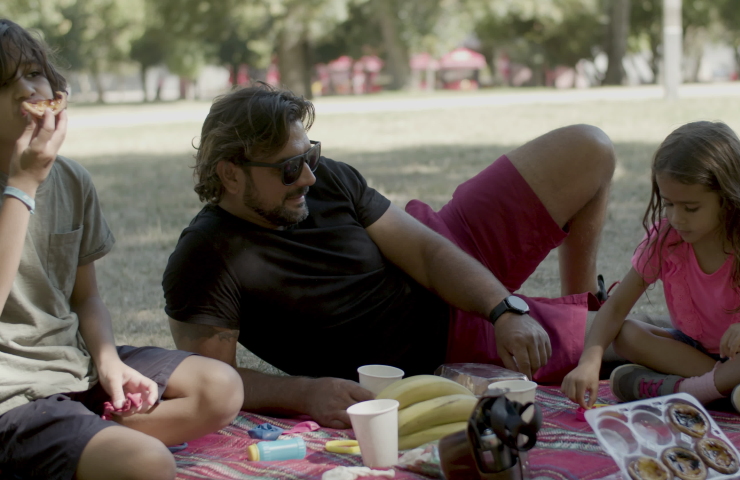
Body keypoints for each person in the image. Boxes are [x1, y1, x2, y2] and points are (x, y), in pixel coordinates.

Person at [163, 82, 616, 428]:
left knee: (589, 147)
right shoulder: (204, 257)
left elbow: (423, 249)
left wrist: (504, 308)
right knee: (616, 339)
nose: (307, 178)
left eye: (310, 156)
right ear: (230, 175)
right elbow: (213, 376)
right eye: (288, 168)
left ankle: (580, 299)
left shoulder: (327, 179)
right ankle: (582, 324)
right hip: (443, 335)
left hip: (448, 242)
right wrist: (304, 394)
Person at [0, 19, 243, 480]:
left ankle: (83, 437)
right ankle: (76, 443)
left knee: (221, 388)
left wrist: (108, 361)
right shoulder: (30, 179)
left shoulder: (71, 180)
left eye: (33, 72)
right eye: (3, 83)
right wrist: (22, 184)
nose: (26, 90)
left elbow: (85, 297)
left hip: (70, 363)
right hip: (10, 393)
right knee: (147, 464)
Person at [562, 121, 740, 416]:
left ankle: (686, 391)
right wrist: (589, 361)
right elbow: (616, 308)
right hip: (700, 355)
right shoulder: (665, 239)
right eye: (668, 204)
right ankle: (734, 390)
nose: (677, 218)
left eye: (691, 208)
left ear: (728, 199)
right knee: (626, 333)